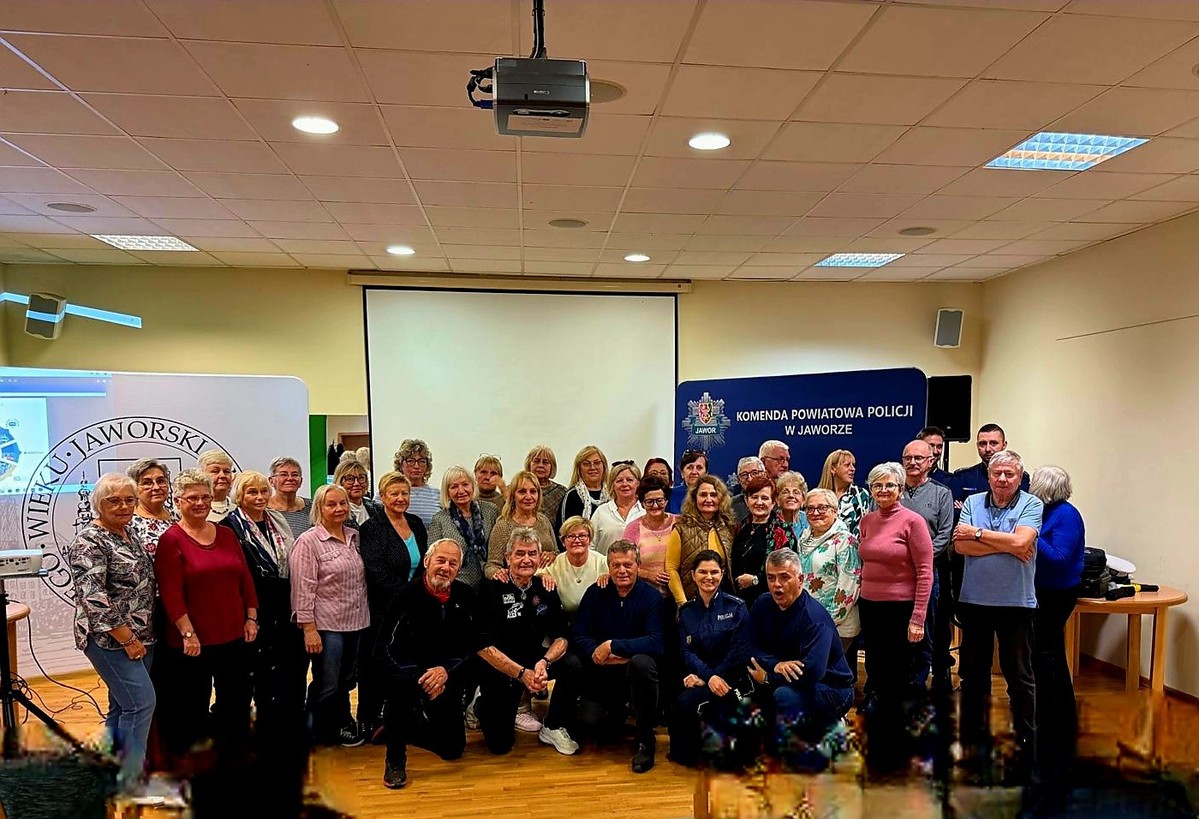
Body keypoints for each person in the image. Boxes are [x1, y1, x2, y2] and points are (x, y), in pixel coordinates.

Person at [952, 450, 1043, 784]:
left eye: (1009, 474)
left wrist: (978, 535)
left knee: (1019, 678)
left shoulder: (1032, 504)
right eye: (997, 474)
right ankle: (973, 745)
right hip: (974, 602)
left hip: (1017, 603)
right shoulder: (973, 502)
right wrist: (1007, 544)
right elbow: (961, 547)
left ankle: (1025, 748)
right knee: (972, 676)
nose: (1002, 479)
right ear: (988, 476)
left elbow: (1023, 542)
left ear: (1020, 477)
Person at [155, 469, 258, 761]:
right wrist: (188, 634)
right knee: (192, 705)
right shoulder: (171, 540)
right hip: (194, 641)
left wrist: (251, 617)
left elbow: (245, 578)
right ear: (178, 501)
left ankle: (232, 755)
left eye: (205, 497)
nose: (200, 503)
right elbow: (171, 594)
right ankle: (195, 762)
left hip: (234, 635)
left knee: (237, 700)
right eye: (192, 498)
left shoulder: (226, 533)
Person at [66, 473, 156, 792]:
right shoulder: (88, 541)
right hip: (111, 639)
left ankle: (109, 775)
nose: (123, 506)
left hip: (142, 634)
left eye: (129, 500)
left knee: (121, 707)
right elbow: (94, 598)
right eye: (113, 501)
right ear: (98, 504)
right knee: (140, 704)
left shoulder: (129, 532)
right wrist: (127, 639)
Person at [737, 549, 855, 765]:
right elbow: (744, 646)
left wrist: (769, 677)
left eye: (784, 577)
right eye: (771, 578)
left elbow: (811, 673)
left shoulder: (814, 618)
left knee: (784, 695)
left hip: (832, 688)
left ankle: (831, 729)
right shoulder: (763, 603)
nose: (776, 585)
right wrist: (775, 665)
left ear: (800, 580)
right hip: (786, 677)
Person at [474, 526, 583, 757]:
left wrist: (545, 662)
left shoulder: (545, 587)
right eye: (520, 553)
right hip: (500, 667)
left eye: (532, 554)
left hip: (533, 660)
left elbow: (562, 637)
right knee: (500, 746)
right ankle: (481, 704)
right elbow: (483, 648)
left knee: (572, 664)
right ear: (508, 558)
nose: (526, 559)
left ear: (539, 557)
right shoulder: (490, 589)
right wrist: (522, 674)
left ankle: (553, 725)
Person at [376, 540, 476, 790]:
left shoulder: (466, 596)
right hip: (408, 675)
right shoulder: (405, 595)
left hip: (445, 676)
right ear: (426, 561)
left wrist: (446, 672)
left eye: (453, 563)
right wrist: (419, 677)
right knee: (398, 692)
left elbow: (471, 646)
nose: (445, 567)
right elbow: (383, 647)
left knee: (453, 750)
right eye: (440, 560)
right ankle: (395, 760)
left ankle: (401, 727)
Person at [220, 470, 306, 752]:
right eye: (251, 492)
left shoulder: (276, 520)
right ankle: (263, 737)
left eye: (263, 491)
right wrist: (250, 614)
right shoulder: (229, 527)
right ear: (239, 496)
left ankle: (288, 731)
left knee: (290, 672)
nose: (259, 497)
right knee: (261, 675)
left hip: (286, 606)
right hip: (255, 609)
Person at [856, 462, 934, 771]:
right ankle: (882, 741)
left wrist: (917, 618)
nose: (883, 490)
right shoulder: (866, 521)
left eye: (890, 485)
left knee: (902, 678)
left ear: (900, 489)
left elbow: (926, 573)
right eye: (877, 485)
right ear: (871, 490)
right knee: (877, 673)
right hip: (871, 607)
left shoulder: (913, 522)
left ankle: (909, 745)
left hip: (902, 610)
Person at [289, 483, 370, 747]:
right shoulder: (308, 541)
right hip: (326, 626)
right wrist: (308, 628)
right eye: (331, 504)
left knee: (346, 681)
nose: (338, 508)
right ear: (319, 508)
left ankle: (340, 723)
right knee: (327, 683)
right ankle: (316, 731)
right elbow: (302, 588)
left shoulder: (354, 536)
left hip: (357, 622)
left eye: (342, 503)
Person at [573, 541, 664, 773]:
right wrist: (596, 652)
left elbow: (656, 641)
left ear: (638, 565)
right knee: (593, 727)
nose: (622, 570)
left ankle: (646, 740)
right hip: (601, 670)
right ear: (609, 567)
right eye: (616, 565)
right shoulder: (595, 593)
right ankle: (617, 714)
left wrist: (613, 646)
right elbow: (579, 634)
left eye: (627, 565)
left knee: (642, 663)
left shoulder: (652, 598)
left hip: (633, 672)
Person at [1029, 464, 1086, 809]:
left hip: (1058, 592)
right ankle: (1059, 709)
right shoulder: (1046, 511)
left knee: (1045, 652)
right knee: (1048, 651)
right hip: (1040, 591)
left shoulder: (1066, 515)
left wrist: (1030, 535)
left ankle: (1052, 714)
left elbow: (1060, 558)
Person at [358, 471, 429, 738]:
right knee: (377, 664)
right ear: (382, 496)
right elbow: (375, 570)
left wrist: (418, 596)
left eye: (404, 493)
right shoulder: (372, 528)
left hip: (413, 608)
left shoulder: (416, 523)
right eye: (394, 493)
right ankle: (371, 718)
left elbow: (424, 563)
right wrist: (409, 596)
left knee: (409, 661)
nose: (400, 498)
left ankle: (407, 713)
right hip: (383, 607)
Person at [667, 550, 748, 768]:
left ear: (722, 574)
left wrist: (712, 677)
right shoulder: (686, 612)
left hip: (731, 679)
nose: (708, 577)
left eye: (714, 572)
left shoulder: (736, 607)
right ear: (693, 575)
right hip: (701, 677)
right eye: (703, 572)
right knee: (683, 703)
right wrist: (707, 677)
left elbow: (738, 652)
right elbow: (686, 652)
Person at [899, 440, 954, 690]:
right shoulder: (892, 489)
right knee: (897, 631)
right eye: (908, 458)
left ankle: (917, 685)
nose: (912, 462)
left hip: (926, 573)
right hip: (895, 574)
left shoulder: (942, 493)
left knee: (922, 629)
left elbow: (944, 535)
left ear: (930, 462)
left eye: (918, 458)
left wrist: (920, 558)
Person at [796, 489, 861, 650]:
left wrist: (826, 622)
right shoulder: (804, 538)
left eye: (822, 508)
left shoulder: (845, 541)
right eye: (810, 508)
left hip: (836, 625)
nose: (815, 513)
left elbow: (849, 587)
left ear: (835, 511)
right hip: (808, 621)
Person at [665, 475, 736, 606]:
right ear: (694, 498)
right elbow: (671, 569)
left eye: (713, 495)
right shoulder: (681, 529)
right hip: (690, 602)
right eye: (703, 495)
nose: (708, 499)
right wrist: (683, 603)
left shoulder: (728, 528)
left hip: (722, 603)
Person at [428, 465, 499, 591]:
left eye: (465, 484)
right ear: (447, 492)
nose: (461, 491)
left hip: (489, 584)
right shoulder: (439, 519)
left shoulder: (491, 511)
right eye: (454, 487)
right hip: (455, 588)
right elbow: (433, 560)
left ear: (473, 486)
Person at [730, 475, 795, 606]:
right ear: (746, 500)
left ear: (773, 502)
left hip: (771, 602)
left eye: (764, 498)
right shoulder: (740, 527)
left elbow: (787, 572)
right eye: (754, 497)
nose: (759, 502)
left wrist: (755, 580)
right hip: (739, 602)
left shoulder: (783, 532)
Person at [486, 470, 556, 578]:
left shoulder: (544, 521)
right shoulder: (503, 526)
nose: (528, 496)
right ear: (513, 496)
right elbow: (491, 566)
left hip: (546, 582)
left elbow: (557, 552)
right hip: (515, 584)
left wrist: (553, 555)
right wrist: (499, 574)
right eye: (522, 492)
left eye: (533, 491)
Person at [538, 517, 610, 619]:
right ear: (563, 541)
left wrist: (611, 576)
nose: (577, 540)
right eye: (571, 536)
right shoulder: (555, 563)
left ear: (590, 540)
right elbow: (531, 575)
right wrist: (541, 575)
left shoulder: (603, 561)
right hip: (565, 620)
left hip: (598, 620)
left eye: (582, 536)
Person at [621, 476, 675, 598]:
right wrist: (648, 575)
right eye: (650, 502)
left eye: (660, 500)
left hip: (677, 596)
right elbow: (624, 563)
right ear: (642, 504)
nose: (655, 506)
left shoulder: (679, 522)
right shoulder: (633, 528)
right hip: (644, 596)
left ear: (666, 500)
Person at [952, 423, 1029, 507]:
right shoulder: (963, 477)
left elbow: (1019, 509)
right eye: (983, 444)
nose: (988, 449)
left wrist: (971, 509)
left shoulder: (1018, 476)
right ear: (977, 446)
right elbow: (957, 511)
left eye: (993, 443)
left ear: (1004, 445)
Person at [590, 460, 645, 556]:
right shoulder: (601, 512)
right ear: (612, 485)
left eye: (629, 480)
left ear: (638, 483)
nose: (624, 484)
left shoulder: (645, 512)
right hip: (605, 565)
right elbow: (590, 546)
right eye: (619, 481)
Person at [127, 458, 177, 556]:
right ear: (134, 488)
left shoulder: (178, 517)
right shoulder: (128, 523)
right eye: (147, 483)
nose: (156, 487)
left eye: (161, 481)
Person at [817, 450, 871, 538]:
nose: (852, 469)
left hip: (852, 545)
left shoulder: (860, 495)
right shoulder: (819, 496)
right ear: (833, 469)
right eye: (847, 465)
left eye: (853, 465)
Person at [558, 445, 610, 529]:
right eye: (586, 464)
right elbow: (563, 529)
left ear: (604, 466)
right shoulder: (572, 496)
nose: (592, 467)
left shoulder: (613, 494)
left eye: (597, 463)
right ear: (579, 469)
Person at [394, 439, 440, 528]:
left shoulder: (438, 495)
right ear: (400, 464)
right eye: (410, 461)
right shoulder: (387, 494)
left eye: (422, 461)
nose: (416, 466)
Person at [267, 456, 313, 537]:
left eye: (294, 475)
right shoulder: (263, 510)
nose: (290, 478)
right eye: (283, 474)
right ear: (271, 481)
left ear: (300, 481)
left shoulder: (312, 507)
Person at [334, 459, 382, 526]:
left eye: (361, 478)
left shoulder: (377, 509)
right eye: (350, 479)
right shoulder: (336, 512)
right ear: (340, 482)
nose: (356, 483)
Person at [525, 445, 567, 520]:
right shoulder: (518, 489)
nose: (540, 465)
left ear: (552, 467)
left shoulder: (562, 492)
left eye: (545, 462)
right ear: (529, 464)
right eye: (536, 461)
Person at [198, 449, 236, 522]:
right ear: (202, 475)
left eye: (226, 471)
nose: (222, 475)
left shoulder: (239, 511)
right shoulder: (192, 511)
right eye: (215, 471)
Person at [668, 449, 708, 515]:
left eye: (699, 468)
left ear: (706, 473)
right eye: (690, 467)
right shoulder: (671, 495)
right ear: (682, 473)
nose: (694, 472)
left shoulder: (713, 496)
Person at [775, 471, 809, 542]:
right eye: (785, 492)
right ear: (777, 499)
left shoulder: (810, 520)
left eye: (796, 492)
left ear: (803, 499)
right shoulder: (771, 522)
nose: (791, 495)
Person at [730, 456, 765, 522]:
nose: (749, 479)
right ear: (738, 479)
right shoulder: (731, 505)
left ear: (764, 475)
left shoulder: (777, 500)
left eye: (754, 473)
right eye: (744, 475)